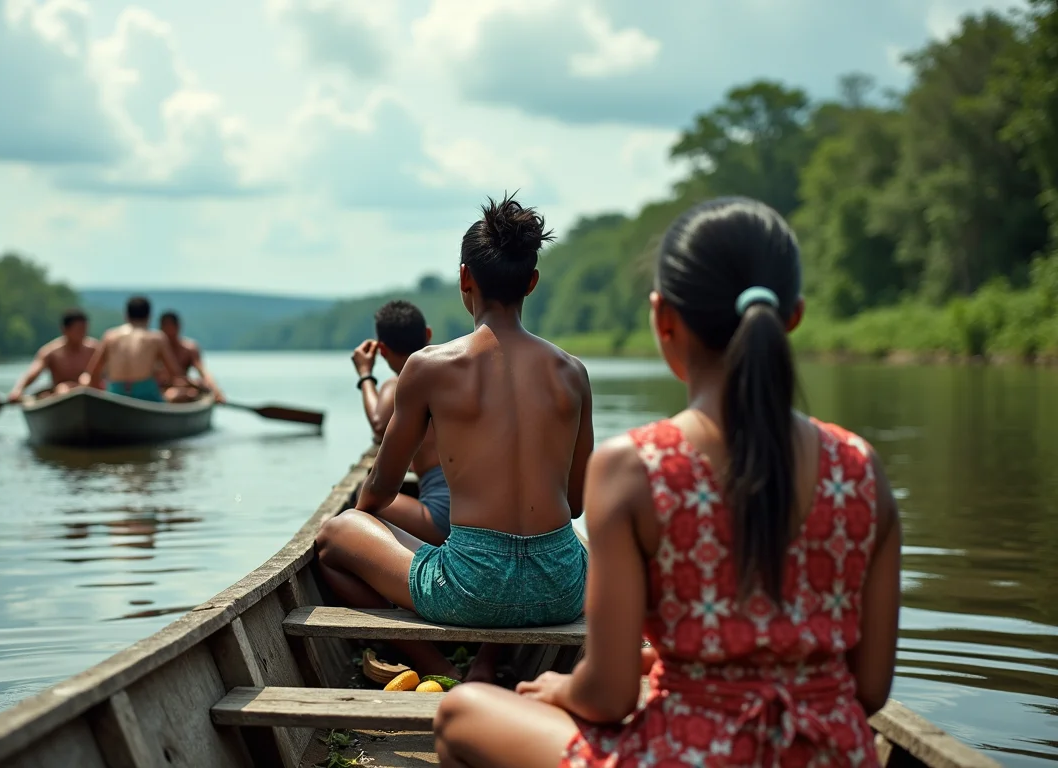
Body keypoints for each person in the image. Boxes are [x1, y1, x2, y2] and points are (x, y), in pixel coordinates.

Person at [432, 197, 901, 767]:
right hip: (834, 755)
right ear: (793, 317)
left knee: (463, 712)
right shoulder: (861, 469)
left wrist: (561, 690)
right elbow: (869, 690)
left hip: (687, 754)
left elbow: (608, 697)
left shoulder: (636, 467)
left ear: (663, 319)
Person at [315, 193, 593, 683]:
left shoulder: (429, 367)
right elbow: (573, 505)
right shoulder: (573, 372)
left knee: (335, 534)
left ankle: (438, 667)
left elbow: (378, 494)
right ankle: (487, 664)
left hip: (471, 588)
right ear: (532, 282)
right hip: (563, 588)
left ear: (465, 278)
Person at [351, 300, 449, 545]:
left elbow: (379, 424)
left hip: (441, 517)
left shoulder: (399, 384)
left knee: (361, 497)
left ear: (382, 349)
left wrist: (365, 375)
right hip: (473, 511)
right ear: (428, 334)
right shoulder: (451, 376)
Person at [79, 296, 183, 402]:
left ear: (126, 315)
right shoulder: (157, 338)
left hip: (116, 391)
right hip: (146, 393)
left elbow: (94, 372)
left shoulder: (110, 336)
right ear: (149, 317)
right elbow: (175, 373)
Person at [7, 309, 99, 402]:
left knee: (85, 380)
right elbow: (34, 372)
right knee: (63, 388)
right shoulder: (51, 352)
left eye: (84, 329)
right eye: (79, 330)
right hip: (61, 394)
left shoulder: (95, 349)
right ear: (65, 330)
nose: (83, 334)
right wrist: (18, 390)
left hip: (89, 392)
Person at [157, 311, 227, 403]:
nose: (169, 334)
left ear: (178, 327)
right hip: (163, 389)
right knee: (171, 395)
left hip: (185, 388)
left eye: (171, 328)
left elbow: (203, 372)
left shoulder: (189, 348)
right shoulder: (156, 349)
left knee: (193, 391)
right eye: (165, 328)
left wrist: (216, 391)